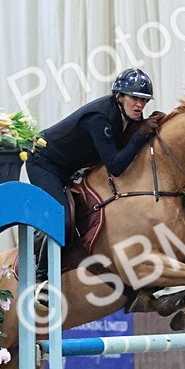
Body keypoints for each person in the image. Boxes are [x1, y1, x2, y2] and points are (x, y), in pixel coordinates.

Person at [26, 68, 164, 307]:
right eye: (135, 98)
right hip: (44, 163)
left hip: (71, 167)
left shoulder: (126, 117)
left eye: (144, 100)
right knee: (63, 220)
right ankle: (42, 279)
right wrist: (139, 136)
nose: (140, 105)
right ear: (119, 96)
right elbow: (116, 165)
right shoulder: (100, 118)